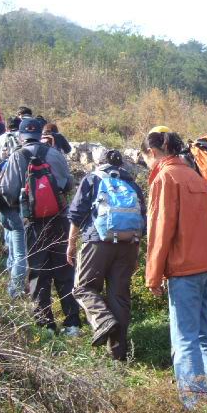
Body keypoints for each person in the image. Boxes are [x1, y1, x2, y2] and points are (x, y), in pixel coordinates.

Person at [141, 129, 207, 408]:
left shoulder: (165, 177)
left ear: (152, 153)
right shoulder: (194, 175)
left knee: (184, 341)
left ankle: (195, 405)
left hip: (185, 269)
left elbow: (160, 230)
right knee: (204, 335)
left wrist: (153, 275)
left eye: (146, 159)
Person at [0, 118, 82, 335]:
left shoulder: (17, 156)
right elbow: (68, 184)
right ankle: (72, 323)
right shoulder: (55, 154)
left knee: (38, 274)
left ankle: (46, 325)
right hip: (60, 219)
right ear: (40, 134)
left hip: (33, 224)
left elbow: (8, 192)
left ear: (21, 136)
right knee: (65, 271)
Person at [66, 150, 145, 360]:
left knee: (83, 288)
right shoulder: (132, 184)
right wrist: (136, 250)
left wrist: (71, 243)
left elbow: (76, 213)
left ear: (99, 163)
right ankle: (118, 354)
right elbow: (142, 218)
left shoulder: (92, 179)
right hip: (129, 244)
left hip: (97, 241)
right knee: (119, 296)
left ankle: (102, 321)